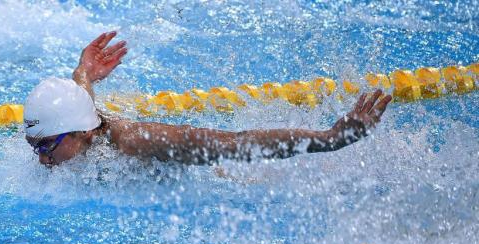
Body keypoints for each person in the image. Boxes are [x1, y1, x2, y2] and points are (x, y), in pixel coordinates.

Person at [24, 31, 392, 167]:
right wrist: (84, 71)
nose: (41, 158)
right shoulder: (79, 123)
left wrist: (330, 140)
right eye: (35, 146)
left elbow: (236, 143)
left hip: (219, 178)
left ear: (83, 134)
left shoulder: (136, 142)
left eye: (46, 147)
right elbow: (79, 94)